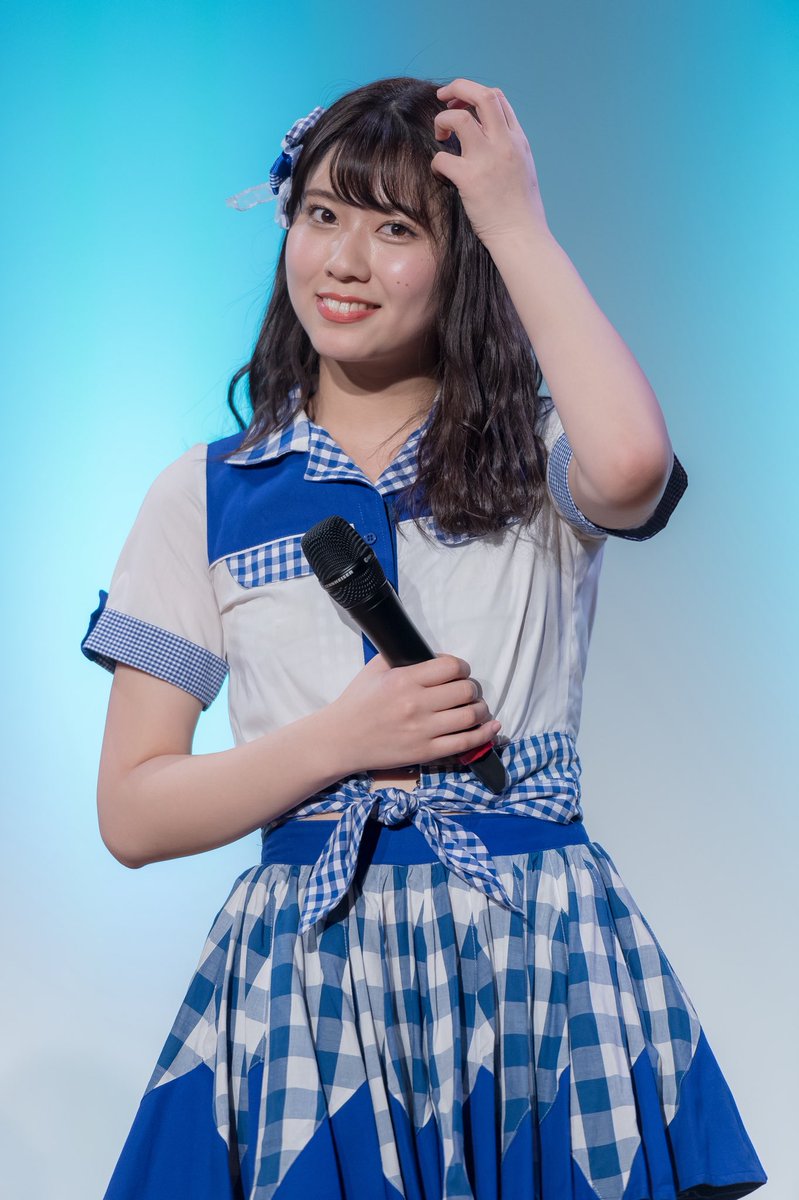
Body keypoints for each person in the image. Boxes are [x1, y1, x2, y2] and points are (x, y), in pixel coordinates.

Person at [81, 75, 767, 1200]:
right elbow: (133, 812)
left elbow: (635, 468)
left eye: (396, 229)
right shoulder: (203, 495)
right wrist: (336, 743)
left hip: (532, 957)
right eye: (322, 215)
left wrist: (515, 220)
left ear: (461, 261)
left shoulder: (536, 458)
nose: (344, 261)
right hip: (314, 977)